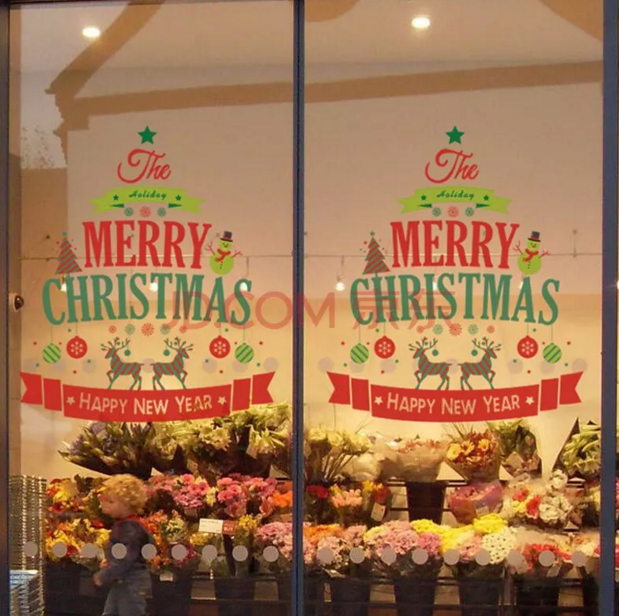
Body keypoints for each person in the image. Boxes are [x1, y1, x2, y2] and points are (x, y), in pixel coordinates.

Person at [93, 474, 152, 616]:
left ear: (127, 504)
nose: (105, 505)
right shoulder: (126, 525)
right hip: (123, 579)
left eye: (111, 502)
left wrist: (105, 574)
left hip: (131, 581)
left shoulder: (129, 528)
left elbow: (125, 558)